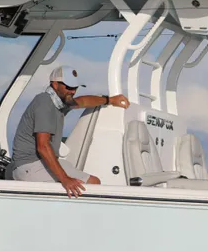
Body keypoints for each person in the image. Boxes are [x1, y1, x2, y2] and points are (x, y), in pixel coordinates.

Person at [9, 65, 130, 197]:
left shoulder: (59, 102)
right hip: (29, 166)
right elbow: (43, 147)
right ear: (55, 85)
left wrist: (110, 100)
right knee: (89, 187)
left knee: (94, 182)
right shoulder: (44, 103)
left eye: (75, 88)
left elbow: (82, 101)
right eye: (68, 87)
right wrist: (65, 179)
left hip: (39, 163)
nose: (72, 91)